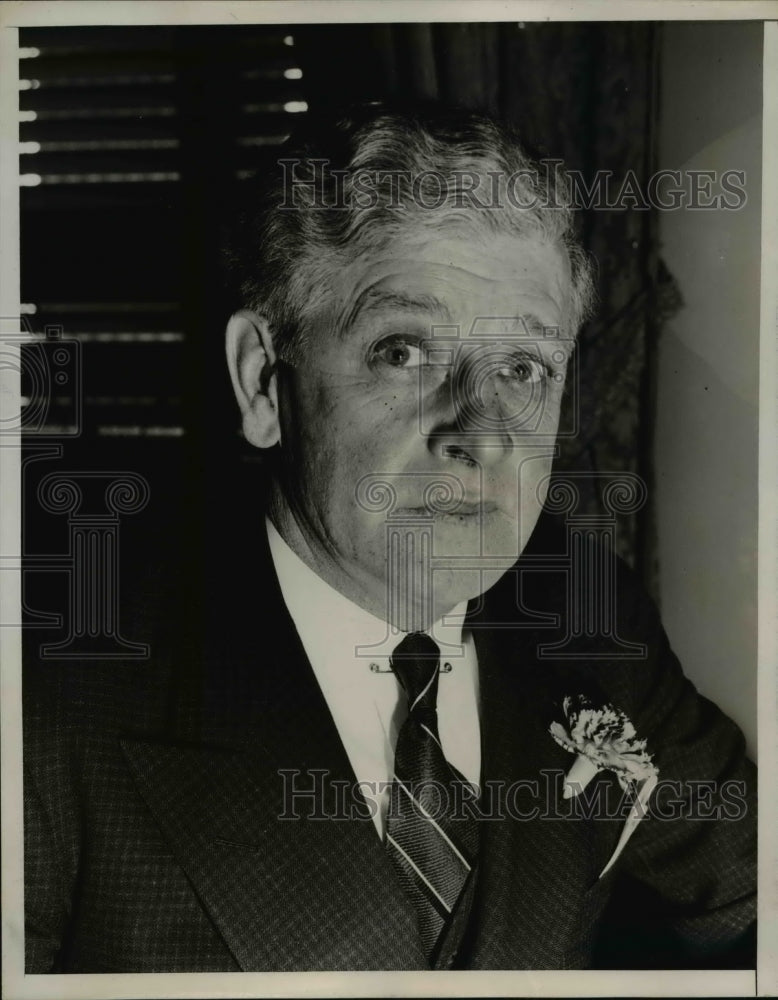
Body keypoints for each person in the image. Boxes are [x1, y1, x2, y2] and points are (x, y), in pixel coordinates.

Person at [23, 102, 756, 973]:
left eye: (522, 369)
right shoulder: (55, 697)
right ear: (264, 382)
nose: (479, 432)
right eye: (404, 352)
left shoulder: (586, 610)